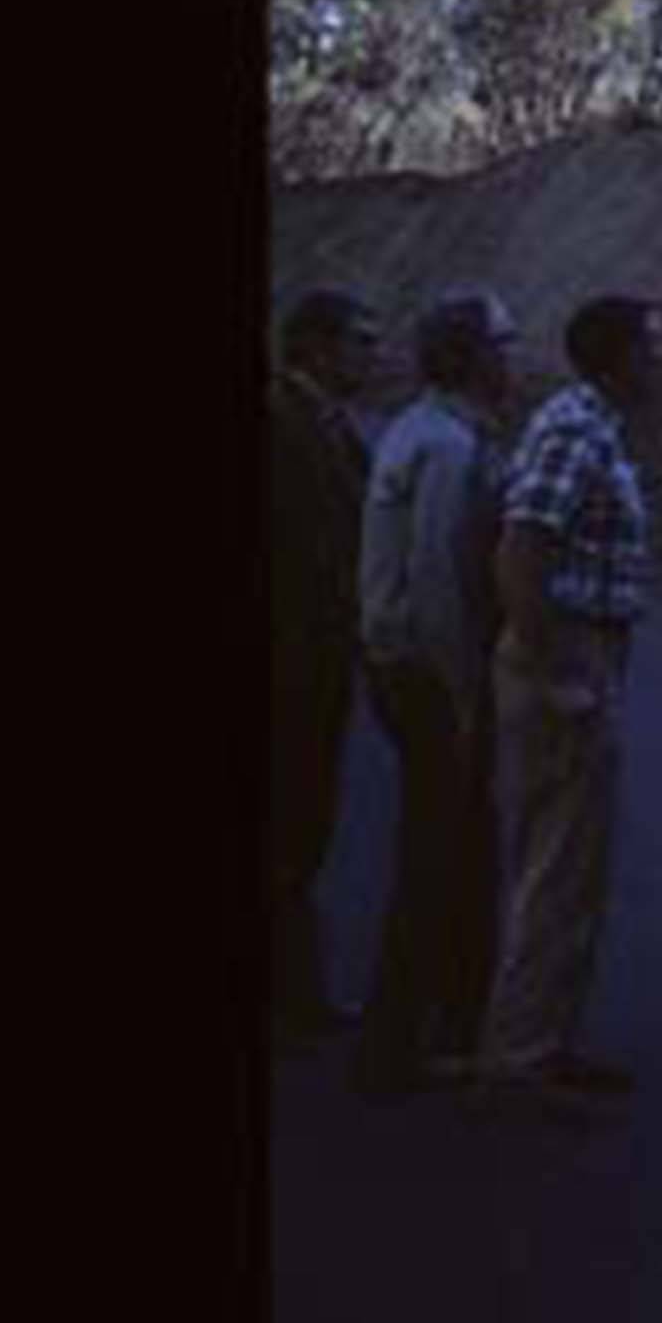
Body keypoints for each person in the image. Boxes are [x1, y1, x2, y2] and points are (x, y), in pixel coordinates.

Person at [475, 294, 662, 1111]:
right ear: (619, 356)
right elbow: (519, 558)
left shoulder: (592, 426)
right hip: (567, 649)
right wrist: (561, 675)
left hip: (586, 647)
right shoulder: (574, 431)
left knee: (572, 863)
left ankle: (543, 1043)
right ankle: (519, 1060)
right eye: (655, 347)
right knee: (556, 864)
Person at [350, 289, 518, 1101]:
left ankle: (446, 1020)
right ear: (467, 356)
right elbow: (439, 582)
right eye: (502, 344)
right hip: (429, 677)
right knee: (435, 856)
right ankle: (399, 1041)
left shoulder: (437, 433)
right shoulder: (446, 447)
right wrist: (462, 698)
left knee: (452, 850)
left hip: (413, 672)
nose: (512, 357)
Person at [267, 286, 380, 1044]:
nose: (371, 355)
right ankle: (290, 1000)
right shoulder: (279, 423)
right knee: (287, 823)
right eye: (358, 341)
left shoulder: (332, 423)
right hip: (290, 658)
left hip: (322, 654)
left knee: (306, 823)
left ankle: (298, 994)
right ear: (312, 345)